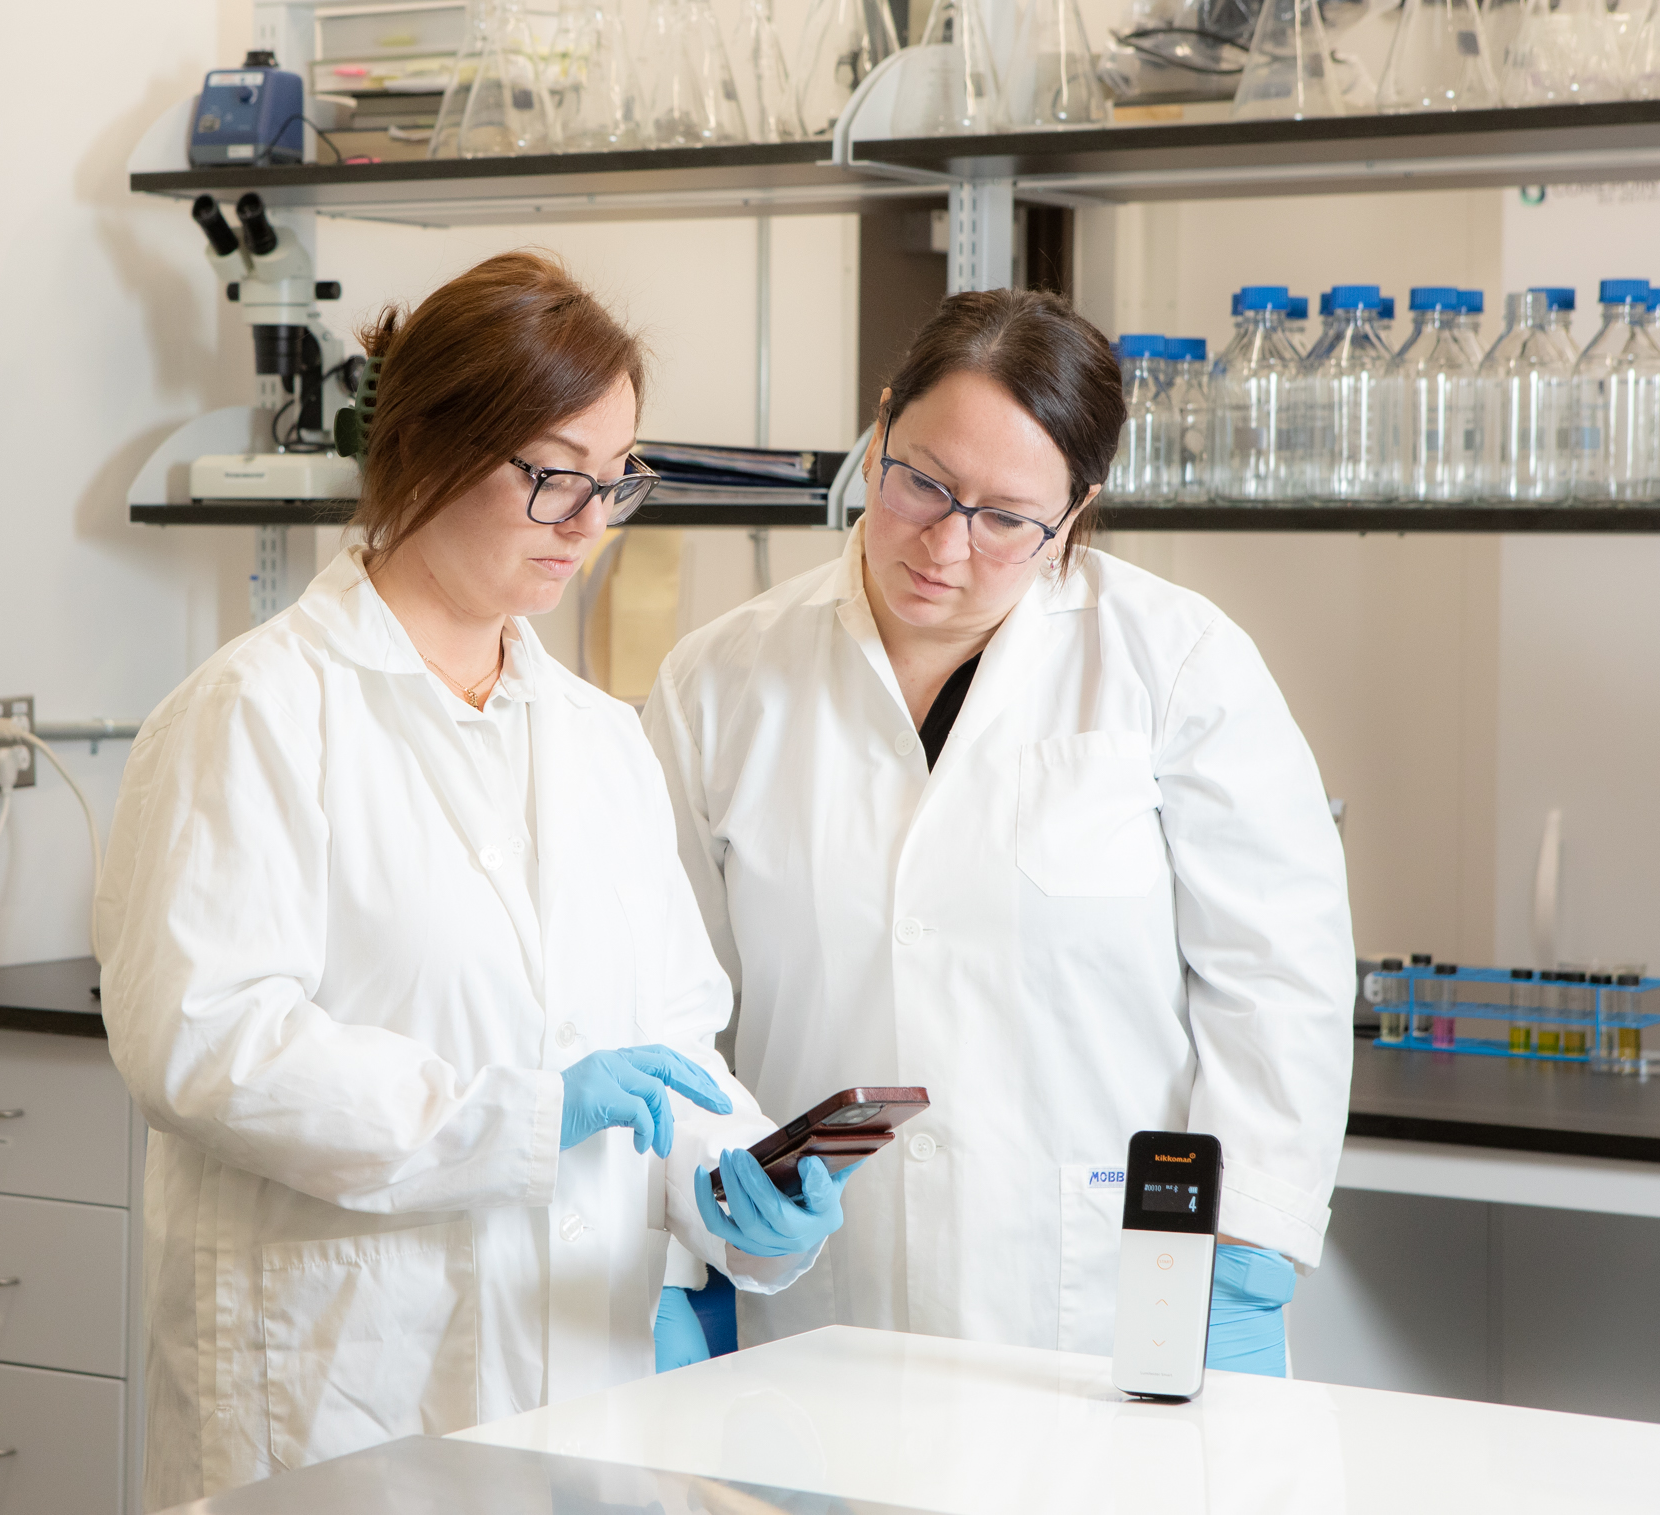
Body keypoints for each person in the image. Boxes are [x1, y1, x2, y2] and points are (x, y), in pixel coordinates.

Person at [96, 250, 850, 1509]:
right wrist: (524, 1113)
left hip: (579, 1378)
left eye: (614, 482)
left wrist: (741, 1185)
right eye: (552, 473)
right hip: (343, 1391)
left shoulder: (601, 740)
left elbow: (667, 1038)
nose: (587, 523)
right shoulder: (260, 711)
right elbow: (206, 1041)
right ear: (431, 445)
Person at [643, 289, 1353, 1376]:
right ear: (879, 429)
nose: (945, 543)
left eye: (1006, 517)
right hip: (822, 1305)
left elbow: (1278, 978)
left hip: (1104, 1299)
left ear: (1075, 511)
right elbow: (668, 1003)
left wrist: (1247, 1246)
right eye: (920, 480)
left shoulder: (1176, 662)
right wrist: (693, 1231)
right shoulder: (718, 680)